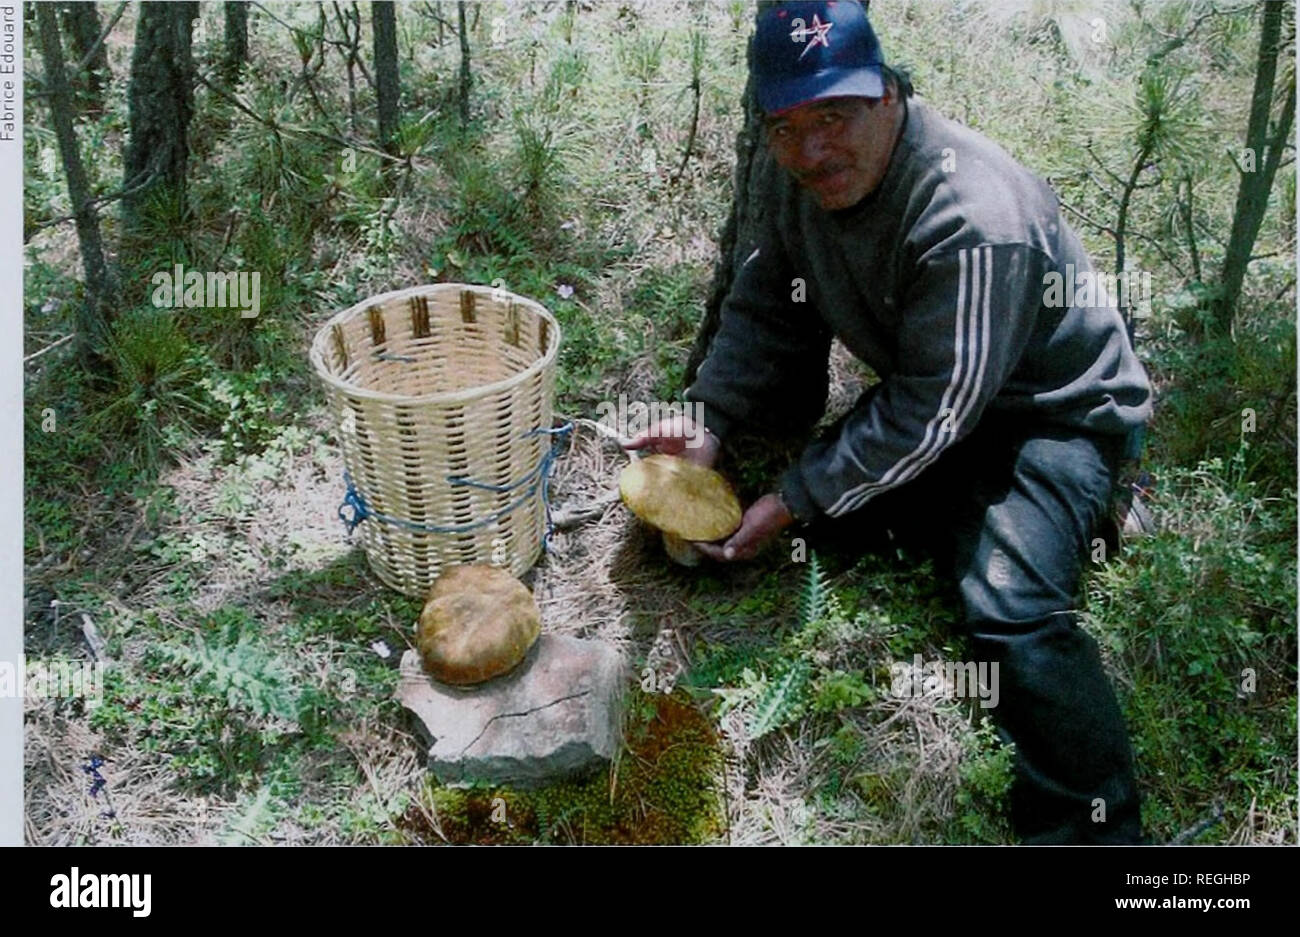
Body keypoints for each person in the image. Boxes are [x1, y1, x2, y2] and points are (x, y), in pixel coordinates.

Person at [626, 0, 1152, 844]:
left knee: (1006, 607)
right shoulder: (795, 177)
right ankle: (969, 516)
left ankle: (1101, 834)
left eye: (833, 116)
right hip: (940, 397)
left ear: (885, 95)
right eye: (786, 126)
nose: (812, 150)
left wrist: (799, 495)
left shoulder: (973, 216)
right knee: (816, 522)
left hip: (1050, 415)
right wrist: (710, 420)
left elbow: (929, 411)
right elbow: (767, 304)